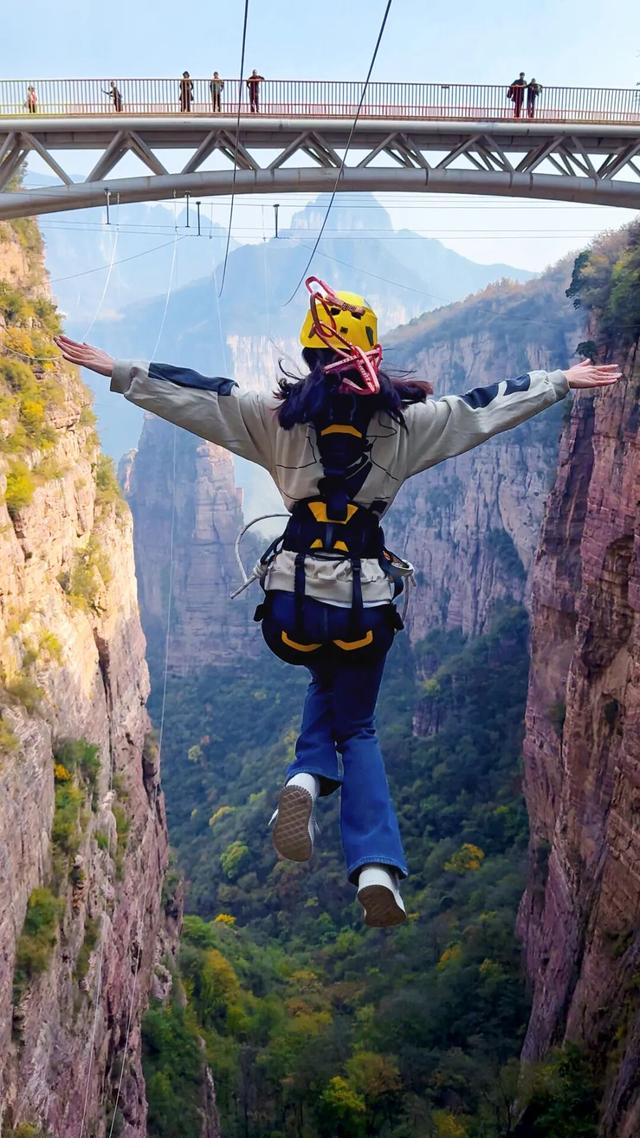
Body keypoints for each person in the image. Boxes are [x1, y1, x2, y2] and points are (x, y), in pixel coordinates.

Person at [54, 282, 621, 927]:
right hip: (362, 607)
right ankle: (374, 860)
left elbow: (198, 396)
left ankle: (306, 774)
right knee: (358, 724)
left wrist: (119, 370)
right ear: (372, 356)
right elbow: (484, 408)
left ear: (309, 353)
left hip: (292, 606)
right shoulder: (407, 428)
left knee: (326, 682)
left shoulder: (274, 421)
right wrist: (561, 381)